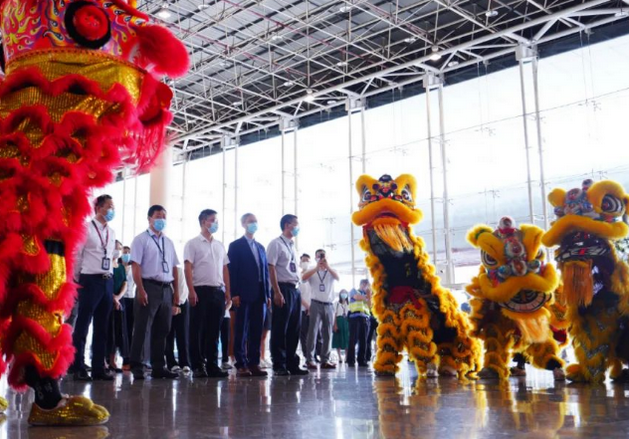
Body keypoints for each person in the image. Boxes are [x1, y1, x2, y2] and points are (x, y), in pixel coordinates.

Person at [129, 205, 181, 380]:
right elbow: (136, 265)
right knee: (143, 328)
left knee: (163, 329)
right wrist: (141, 289)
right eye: (158, 216)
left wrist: (176, 293)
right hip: (148, 286)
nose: (162, 220)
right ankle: (137, 365)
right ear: (149, 218)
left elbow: (174, 268)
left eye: (164, 216)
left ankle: (159, 366)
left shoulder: (169, 242)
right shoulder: (141, 239)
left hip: (166, 288)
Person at [71, 195, 117, 381]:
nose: (112, 210)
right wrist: (77, 279)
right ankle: (78, 366)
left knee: (102, 326)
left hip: (107, 280)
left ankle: (98, 367)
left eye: (113, 206)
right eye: (108, 206)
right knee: (83, 324)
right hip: (89, 279)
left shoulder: (111, 231)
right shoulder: (85, 228)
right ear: (98, 207)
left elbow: (111, 256)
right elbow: (77, 255)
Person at [184, 209, 231, 379]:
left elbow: (225, 268)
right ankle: (197, 365)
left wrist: (228, 292)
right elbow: (187, 267)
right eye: (213, 220)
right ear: (204, 221)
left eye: (216, 220)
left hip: (218, 291)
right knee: (197, 329)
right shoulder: (193, 243)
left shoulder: (219, 245)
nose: (216, 223)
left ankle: (212, 365)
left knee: (214, 330)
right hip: (200, 290)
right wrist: (191, 290)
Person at [228, 213, 272, 378]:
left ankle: (254, 362)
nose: (253, 224)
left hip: (260, 294)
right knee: (241, 329)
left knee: (257, 330)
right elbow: (233, 271)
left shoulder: (261, 247)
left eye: (255, 221)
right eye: (250, 221)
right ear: (243, 224)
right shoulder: (236, 246)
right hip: (243, 293)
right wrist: (234, 293)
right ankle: (241, 363)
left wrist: (267, 294)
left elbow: (265, 272)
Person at [267, 214, 308, 376]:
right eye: (295, 224)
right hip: (282, 288)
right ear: (286, 225)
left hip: (294, 289)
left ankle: (292, 362)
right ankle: (279, 363)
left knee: (294, 328)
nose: (297, 227)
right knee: (280, 327)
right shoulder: (276, 244)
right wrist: (276, 291)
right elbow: (271, 268)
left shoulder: (292, 246)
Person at [302, 249, 339, 369]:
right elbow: (303, 278)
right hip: (315, 303)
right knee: (312, 331)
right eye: (318, 256)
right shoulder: (312, 270)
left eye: (323, 256)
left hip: (328, 304)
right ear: (315, 257)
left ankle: (325, 359)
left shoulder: (331, 270)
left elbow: (337, 278)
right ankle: (310, 359)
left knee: (327, 333)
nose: (321, 259)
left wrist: (327, 266)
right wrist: (316, 268)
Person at [107, 241, 129, 373]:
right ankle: (106, 360)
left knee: (118, 331)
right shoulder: (107, 265)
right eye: (116, 249)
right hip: (108, 300)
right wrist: (112, 298)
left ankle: (114, 359)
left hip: (120, 302)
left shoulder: (121, 267)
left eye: (120, 249)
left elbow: (125, 283)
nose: (118, 252)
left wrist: (118, 297)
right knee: (107, 330)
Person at [166, 266, 192, 374]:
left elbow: (183, 287)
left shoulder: (182, 270)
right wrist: (172, 305)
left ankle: (185, 362)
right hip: (168, 303)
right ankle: (171, 362)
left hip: (183, 303)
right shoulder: (167, 270)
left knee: (183, 333)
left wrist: (177, 304)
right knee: (169, 333)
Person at [298, 253, 321, 362]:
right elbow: (298, 294)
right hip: (302, 309)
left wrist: (312, 307)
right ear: (300, 262)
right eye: (303, 260)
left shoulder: (314, 276)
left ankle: (316, 355)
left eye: (307, 260)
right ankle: (307, 356)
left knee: (315, 333)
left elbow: (315, 292)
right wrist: (307, 306)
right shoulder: (298, 276)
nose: (305, 262)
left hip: (313, 309)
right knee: (303, 335)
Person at [347, 279, 372, 367]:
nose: (366, 287)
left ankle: (362, 360)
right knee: (353, 339)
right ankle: (351, 360)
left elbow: (370, 305)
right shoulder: (354, 290)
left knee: (364, 340)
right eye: (364, 284)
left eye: (367, 285)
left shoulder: (368, 295)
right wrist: (367, 296)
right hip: (355, 317)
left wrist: (368, 296)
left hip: (365, 318)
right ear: (361, 284)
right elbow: (357, 297)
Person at [121, 245, 135, 370]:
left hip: (131, 298)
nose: (126, 254)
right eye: (124, 252)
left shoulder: (133, 268)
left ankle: (129, 358)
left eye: (128, 252)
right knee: (120, 329)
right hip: (120, 299)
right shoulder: (119, 267)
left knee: (129, 328)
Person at [333, 290, 350, 363]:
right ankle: (339, 357)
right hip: (339, 321)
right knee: (338, 339)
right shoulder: (336, 303)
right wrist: (335, 324)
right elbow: (334, 315)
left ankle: (346, 357)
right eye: (342, 293)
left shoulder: (349, 304)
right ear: (339, 294)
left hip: (347, 322)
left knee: (347, 339)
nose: (344, 294)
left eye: (345, 293)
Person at [365, 293, 378, 363]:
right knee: (368, 339)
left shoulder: (378, 300)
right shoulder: (369, 301)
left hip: (377, 320)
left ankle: (378, 355)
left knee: (378, 339)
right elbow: (368, 308)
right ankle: (367, 356)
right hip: (371, 320)